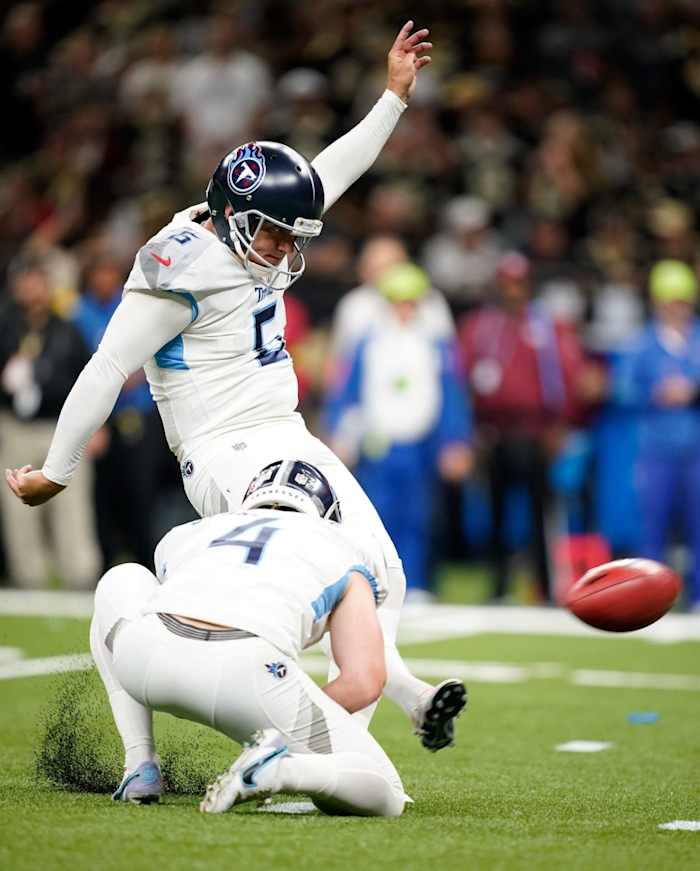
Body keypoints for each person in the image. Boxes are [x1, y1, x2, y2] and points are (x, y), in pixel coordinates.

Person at [6, 23, 466, 750]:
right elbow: (107, 365)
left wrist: (391, 99)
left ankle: (393, 699)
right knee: (326, 581)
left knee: (383, 569)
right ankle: (327, 749)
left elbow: (329, 176)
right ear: (228, 212)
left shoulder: (254, 235)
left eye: (293, 235)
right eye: (273, 233)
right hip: (224, 451)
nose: (285, 249)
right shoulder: (179, 262)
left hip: (282, 435)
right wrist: (57, 471)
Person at [91, 461, 408, 816]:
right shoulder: (346, 547)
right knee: (388, 791)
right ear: (326, 515)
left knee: (122, 577)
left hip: (145, 655)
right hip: (248, 672)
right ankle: (279, 771)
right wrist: (280, 716)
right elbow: (365, 682)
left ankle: (139, 761)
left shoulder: (194, 531)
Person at [325, 262, 472, 599]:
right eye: (397, 302)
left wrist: (455, 442)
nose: (404, 310)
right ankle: (375, 582)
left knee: (419, 515)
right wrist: (343, 436)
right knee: (377, 515)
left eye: (410, 303)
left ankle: (416, 582)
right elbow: (348, 395)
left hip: (420, 444)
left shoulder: (436, 346)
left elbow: (451, 397)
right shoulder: (368, 344)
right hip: (379, 443)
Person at [458, 251, 590, 601]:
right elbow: (464, 378)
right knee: (496, 513)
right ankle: (498, 585)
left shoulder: (547, 326)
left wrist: (560, 426)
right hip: (494, 432)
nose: (513, 290)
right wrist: (472, 430)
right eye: (506, 283)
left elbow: (566, 377)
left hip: (536, 433)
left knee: (539, 514)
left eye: (518, 283)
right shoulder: (481, 326)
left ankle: (544, 588)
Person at [0, 258, 100, 588]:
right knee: (18, 508)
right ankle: (29, 576)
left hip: (61, 427)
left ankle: (80, 573)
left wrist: (97, 426)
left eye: (38, 280)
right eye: (27, 280)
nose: (33, 288)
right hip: (16, 427)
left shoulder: (67, 328)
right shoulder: (5, 325)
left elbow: (90, 379)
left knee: (72, 504)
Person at [615, 260, 700, 610]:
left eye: (681, 301)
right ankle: (651, 601)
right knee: (653, 528)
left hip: (695, 450)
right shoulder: (642, 343)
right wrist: (655, 392)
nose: (676, 308)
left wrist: (693, 391)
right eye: (670, 301)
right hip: (656, 449)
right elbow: (621, 390)